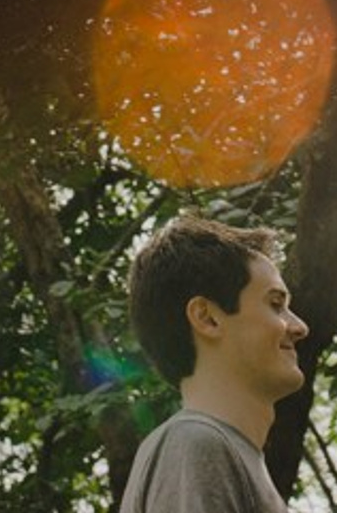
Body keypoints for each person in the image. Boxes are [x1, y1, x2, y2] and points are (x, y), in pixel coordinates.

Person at [120, 214, 309, 513]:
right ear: (207, 318)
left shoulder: (221, 450)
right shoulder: (196, 444)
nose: (300, 327)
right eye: (275, 304)